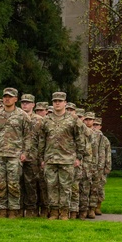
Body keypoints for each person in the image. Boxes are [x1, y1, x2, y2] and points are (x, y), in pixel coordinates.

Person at [38, 92, 85, 220]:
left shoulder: (73, 119)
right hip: (50, 158)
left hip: (67, 158)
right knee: (51, 186)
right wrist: (42, 158)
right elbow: (42, 139)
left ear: (65, 103)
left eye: (60, 101)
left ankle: (64, 212)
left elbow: (80, 139)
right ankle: (53, 211)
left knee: (65, 187)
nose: (57, 103)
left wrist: (78, 157)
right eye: (55, 101)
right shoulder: (46, 120)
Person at [0, 88, 31, 218]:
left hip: (15, 155)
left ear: (16, 99)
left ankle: (13, 210)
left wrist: (25, 152)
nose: (7, 99)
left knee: (13, 184)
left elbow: (28, 136)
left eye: (10, 97)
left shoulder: (23, 116)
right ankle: (1, 209)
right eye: (5, 96)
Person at [91, 116, 113, 215]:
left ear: (100, 126)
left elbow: (108, 153)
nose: (95, 126)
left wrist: (108, 166)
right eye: (93, 124)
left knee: (100, 187)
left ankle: (98, 206)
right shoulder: (89, 137)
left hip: (101, 167)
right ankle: (90, 207)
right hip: (91, 166)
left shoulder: (105, 139)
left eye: (97, 125)